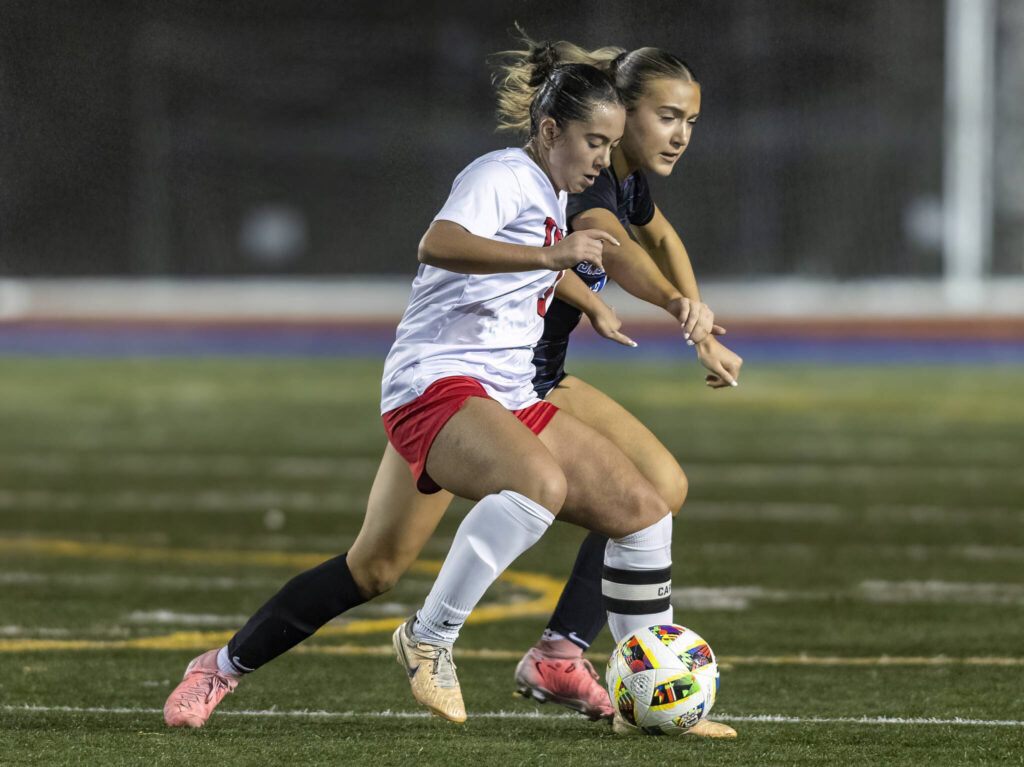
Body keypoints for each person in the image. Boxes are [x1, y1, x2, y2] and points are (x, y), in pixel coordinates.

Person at [163, 43, 684, 735]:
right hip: (434, 386)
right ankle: (424, 637)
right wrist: (550, 258)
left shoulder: (551, 190)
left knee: (640, 510)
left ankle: (645, 694)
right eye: (594, 141)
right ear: (551, 130)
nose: (601, 159)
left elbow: (526, 264)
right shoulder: (500, 173)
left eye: (610, 144)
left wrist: (580, 296)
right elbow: (438, 242)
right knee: (538, 484)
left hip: (501, 391)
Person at [507, 42, 743, 734]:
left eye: (691, 121)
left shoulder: (628, 172)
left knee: (660, 488)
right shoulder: (589, 172)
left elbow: (660, 236)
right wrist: (677, 305)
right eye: (667, 116)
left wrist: (699, 324)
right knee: (375, 565)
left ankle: (559, 652)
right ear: (623, 110)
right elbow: (609, 241)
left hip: (537, 371)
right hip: (492, 377)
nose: (682, 134)